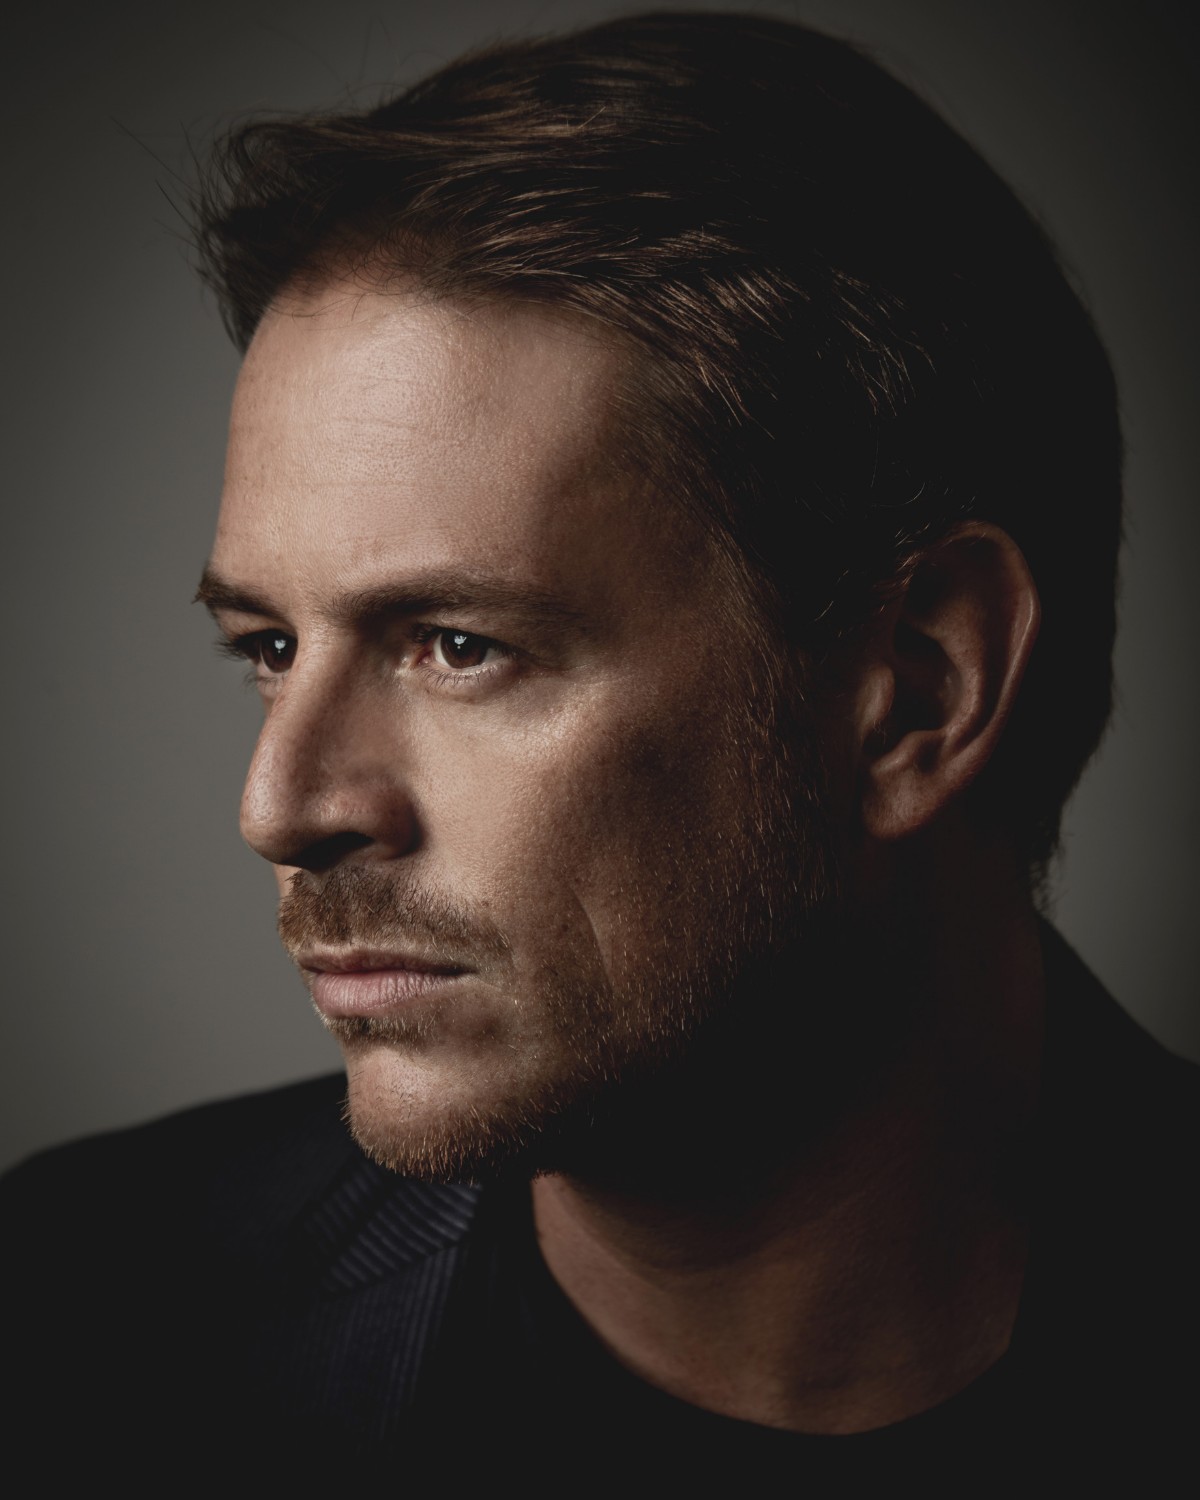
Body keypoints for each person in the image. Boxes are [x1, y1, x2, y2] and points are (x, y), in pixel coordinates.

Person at [4, 10, 1195, 1482]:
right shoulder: (73, 1323)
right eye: (269, 648)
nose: (282, 806)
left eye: (458, 645)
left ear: (916, 691)